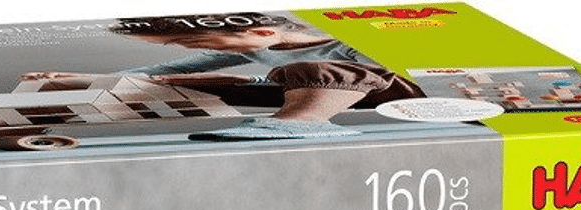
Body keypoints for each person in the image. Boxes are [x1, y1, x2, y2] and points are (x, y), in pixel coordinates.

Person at [22, 14, 424, 138]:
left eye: (210, 43)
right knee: (192, 81)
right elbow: (169, 71)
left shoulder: (344, 44)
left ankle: (302, 124)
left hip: (386, 90)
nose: (203, 50)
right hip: (295, 88)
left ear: (262, 32)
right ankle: (290, 112)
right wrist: (89, 76)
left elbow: (382, 76)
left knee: (299, 70)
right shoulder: (257, 46)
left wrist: (261, 83)